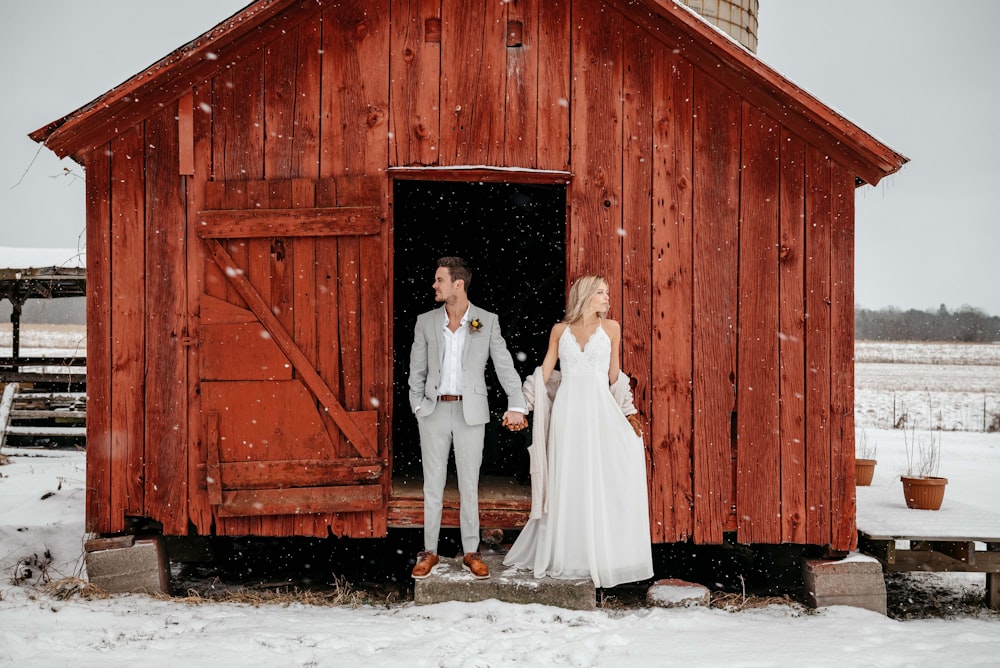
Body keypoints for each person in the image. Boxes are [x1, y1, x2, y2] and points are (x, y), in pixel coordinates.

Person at [503, 275, 653, 588]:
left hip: (600, 411)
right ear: (585, 296)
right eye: (601, 292)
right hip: (568, 414)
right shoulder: (560, 331)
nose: (607, 297)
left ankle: (599, 553)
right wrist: (521, 406)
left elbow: (615, 377)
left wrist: (627, 412)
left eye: (607, 292)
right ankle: (569, 554)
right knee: (568, 478)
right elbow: (543, 373)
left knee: (599, 477)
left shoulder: (611, 328)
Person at [408, 256, 526, 580]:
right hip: (433, 411)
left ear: (457, 284)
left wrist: (517, 402)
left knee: (468, 486)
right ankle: (429, 551)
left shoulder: (486, 321)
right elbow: (416, 371)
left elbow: (504, 365)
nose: (434, 285)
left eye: (439, 280)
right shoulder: (425, 322)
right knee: (432, 485)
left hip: (470, 413)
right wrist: (418, 407)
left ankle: (471, 552)